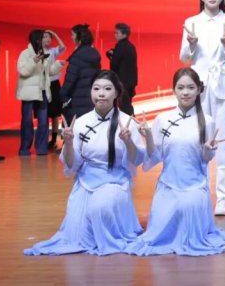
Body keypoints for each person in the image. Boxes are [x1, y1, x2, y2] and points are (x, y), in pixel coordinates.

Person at [25, 70, 146, 256]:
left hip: (114, 182)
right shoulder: (81, 122)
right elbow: (72, 165)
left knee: (99, 208)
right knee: (76, 235)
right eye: (96, 89)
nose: (101, 94)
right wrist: (68, 143)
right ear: (90, 92)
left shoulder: (126, 122)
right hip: (85, 182)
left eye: (107, 89)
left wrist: (128, 141)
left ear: (116, 93)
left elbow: (136, 160)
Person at [126, 68, 225, 256]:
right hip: (167, 187)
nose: (186, 92)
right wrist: (149, 137)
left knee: (190, 219)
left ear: (199, 90)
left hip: (195, 187)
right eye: (181, 87)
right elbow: (155, 157)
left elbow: (205, 160)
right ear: (173, 90)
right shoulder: (162, 119)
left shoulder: (208, 122)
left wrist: (207, 150)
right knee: (156, 237)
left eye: (191, 88)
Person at [180, 0, 225, 216]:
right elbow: (184, 58)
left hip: (224, 85)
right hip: (199, 86)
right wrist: (192, 44)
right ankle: (201, 190)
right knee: (200, 139)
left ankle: (223, 197)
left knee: (223, 140)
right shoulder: (191, 22)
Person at [17, 30, 64, 156]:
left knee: (43, 121)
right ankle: (24, 149)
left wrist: (58, 65)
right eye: (43, 37)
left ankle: (41, 149)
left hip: (42, 92)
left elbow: (49, 72)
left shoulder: (44, 53)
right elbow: (22, 71)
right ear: (36, 39)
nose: (46, 40)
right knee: (27, 122)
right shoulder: (25, 54)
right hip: (28, 94)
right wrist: (33, 61)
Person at [61, 24, 102, 123]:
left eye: (72, 35)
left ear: (79, 37)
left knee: (75, 129)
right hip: (91, 99)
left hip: (77, 100)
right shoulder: (95, 55)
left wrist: (63, 96)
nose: (71, 37)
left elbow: (70, 80)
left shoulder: (77, 56)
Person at [106, 23, 138, 115]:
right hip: (131, 81)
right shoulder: (131, 46)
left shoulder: (120, 46)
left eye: (117, 33)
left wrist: (111, 56)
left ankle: (128, 122)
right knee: (127, 106)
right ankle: (131, 121)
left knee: (124, 107)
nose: (115, 35)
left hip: (122, 82)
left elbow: (114, 64)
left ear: (124, 34)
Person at [43, 30, 67, 149]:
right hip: (42, 84)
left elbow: (62, 47)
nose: (47, 39)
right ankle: (43, 139)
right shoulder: (36, 52)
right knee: (43, 112)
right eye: (45, 37)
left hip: (53, 84)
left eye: (49, 37)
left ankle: (53, 139)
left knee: (55, 112)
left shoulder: (52, 51)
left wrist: (55, 34)